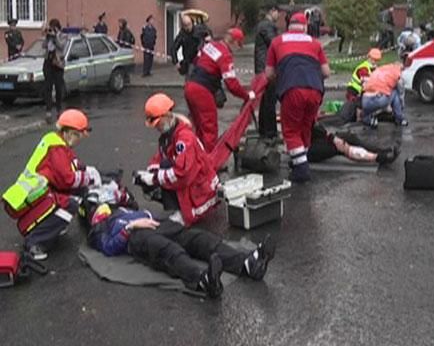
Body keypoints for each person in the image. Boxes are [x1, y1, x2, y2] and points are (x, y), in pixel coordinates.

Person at [88, 204, 275, 299]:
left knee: (199, 239)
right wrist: (130, 227)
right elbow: (109, 247)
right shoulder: (101, 228)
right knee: (167, 250)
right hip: (136, 237)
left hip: (158, 225)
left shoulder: (124, 209)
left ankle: (247, 264)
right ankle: (202, 280)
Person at [2, 109, 100, 260]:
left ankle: (53, 225)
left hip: (36, 193)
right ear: (69, 133)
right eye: (78, 135)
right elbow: (67, 179)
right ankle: (35, 243)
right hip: (33, 196)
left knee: (77, 192)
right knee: (71, 204)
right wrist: (90, 178)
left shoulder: (55, 141)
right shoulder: (57, 148)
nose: (79, 139)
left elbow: (72, 165)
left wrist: (87, 171)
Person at [134, 93, 222, 225]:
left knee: (166, 171)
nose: (157, 128)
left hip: (200, 194)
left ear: (167, 115)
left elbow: (183, 174)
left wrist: (154, 179)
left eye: (158, 123)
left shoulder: (184, 139)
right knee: (159, 173)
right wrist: (148, 174)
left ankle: (182, 213)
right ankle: (177, 208)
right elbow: (160, 157)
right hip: (195, 186)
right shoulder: (169, 134)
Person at [265, 12, 330, 182]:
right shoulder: (315, 43)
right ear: (305, 27)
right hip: (315, 90)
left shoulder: (277, 42)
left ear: (288, 26)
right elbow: (326, 72)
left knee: (291, 130)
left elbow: (269, 74)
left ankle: (301, 169)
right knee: (305, 127)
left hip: (292, 89)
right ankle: (300, 159)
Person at [183, 28, 255, 152]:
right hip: (203, 91)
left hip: (190, 86)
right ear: (234, 41)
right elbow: (231, 84)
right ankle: (209, 163)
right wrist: (246, 95)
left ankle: (196, 156)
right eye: (239, 45)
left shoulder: (210, 46)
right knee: (209, 128)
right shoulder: (225, 55)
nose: (238, 49)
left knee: (198, 126)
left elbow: (196, 60)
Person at [307, 123, 400, 165]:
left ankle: (381, 150)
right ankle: (381, 157)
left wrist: (332, 137)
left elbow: (314, 126)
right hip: (305, 148)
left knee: (349, 137)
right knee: (339, 147)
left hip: (310, 138)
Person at [254, 4, 280, 140]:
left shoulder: (263, 25)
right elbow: (275, 44)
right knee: (269, 101)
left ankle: (264, 130)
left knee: (265, 102)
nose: (279, 16)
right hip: (267, 68)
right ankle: (270, 132)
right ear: (272, 11)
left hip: (262, 67)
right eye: (278, 12)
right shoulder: (267, 26)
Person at [361, 63, 408, 128]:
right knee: (395, 93)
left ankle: (370, 120)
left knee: (365, 114)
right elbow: (401, 93)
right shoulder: (397, 73)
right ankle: (399, 119)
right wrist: (402, 105)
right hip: (379, 99)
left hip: (365, 100)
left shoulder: (380, 69)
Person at [171, 11, 211, 77]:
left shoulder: (199, 29)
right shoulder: (182, 35)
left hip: (201, 59)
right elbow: (174, 48)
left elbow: (208, 34)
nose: (188, 27)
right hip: (189, 61)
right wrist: (176, 62)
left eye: (189, 24)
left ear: (192, 23)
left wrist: (208, 38)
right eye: (185, 26)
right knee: (190, 78)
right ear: (183, 26)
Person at [42, 19, 67, 123]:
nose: (52, 30)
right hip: (48, 63)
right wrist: (47, 36)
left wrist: (55, 36)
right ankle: (48, 110)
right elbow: (43, 46)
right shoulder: (49, 36)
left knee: (58, 87)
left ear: (57, 27)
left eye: (53, 27)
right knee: (48, 87)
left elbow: (61, 46)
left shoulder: (63, 36)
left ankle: (59, 109)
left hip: (58, 64)